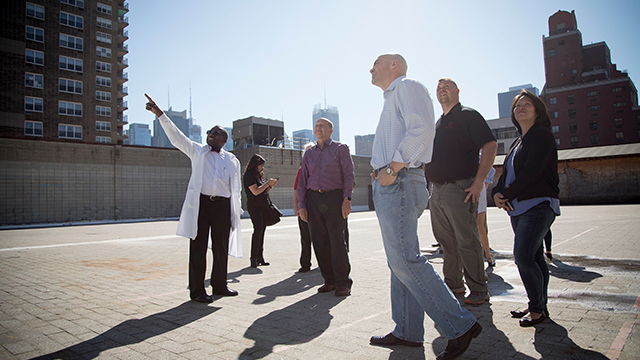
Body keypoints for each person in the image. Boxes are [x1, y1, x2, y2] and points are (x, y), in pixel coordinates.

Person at [367, 53, 481, 360]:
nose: (371, 68)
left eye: (377, 62)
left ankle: (459, 325)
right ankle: (407, 331)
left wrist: (391, 170)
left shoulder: (407, 85)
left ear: (395, 64)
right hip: (395, 180)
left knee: (405, 259)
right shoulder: (394, 95)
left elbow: (421, 131)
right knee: (399, 261)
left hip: (400, 180)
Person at [145, 94, 242, 302]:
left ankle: (219, 286)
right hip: (202, 204)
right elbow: (177, 137)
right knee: (198, 248)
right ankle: (198, 291)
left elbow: (236, 190)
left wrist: (235, 213)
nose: (210, 134)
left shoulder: (232, 160)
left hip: (222, 207)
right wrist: (160, 115)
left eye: (215, 133)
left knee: (221, 248)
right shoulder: (197, 151)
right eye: (209, 132)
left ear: (224, 140)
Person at [424, 78, 498, 306]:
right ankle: (453, 285)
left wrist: (479, 182)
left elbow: (490, 145)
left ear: (457, 91)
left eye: (446, 86)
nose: (441, 90)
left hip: (460, 188)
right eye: (438, 88)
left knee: (467, 239)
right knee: (446, 242)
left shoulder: (468, 115)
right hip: (436, 192)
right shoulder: (437, 123)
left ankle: (478, 289)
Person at [492, 90, 560, 327]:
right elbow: (506, 175)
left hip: (538, 204)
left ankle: (537, 309)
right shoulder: (518, 142)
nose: (520, 107)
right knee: (535, 257)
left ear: (538, 110)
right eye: (517, 105)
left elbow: (532, 171)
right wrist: (496, 194)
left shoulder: (541, 135)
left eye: (527, 104)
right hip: (518, 208)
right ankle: (538, 305)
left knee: (523, 257)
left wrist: (507, 193)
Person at [297, 118, 354, 297]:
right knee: (319, 241)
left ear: (331, 130)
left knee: (337, 240)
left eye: (322, 126)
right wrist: (302, 206)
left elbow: (348, 175)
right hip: (314, 199)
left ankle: (343, 282)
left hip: (335, 198)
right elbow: (302, 182)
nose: (318, 128)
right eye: (316, 126)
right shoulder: (309, 154)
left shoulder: (341, 149)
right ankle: (328, 280)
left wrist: (347, 199)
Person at [243, 154, 279, 268]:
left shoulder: (257, 176)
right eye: (260, 165)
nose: (262, 167)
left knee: (261, 231)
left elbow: (263, 192)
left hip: (262, 206)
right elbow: (255, 192)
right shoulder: (249, 176)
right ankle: (253, 258)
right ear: (255, 164)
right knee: (258, 231)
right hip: (255, 208)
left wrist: (270, 186)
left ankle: (260, 257)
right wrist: (267, 183)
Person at [293, 143, 315, 273]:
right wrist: (296, 205)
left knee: (320, 238)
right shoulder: (301, 170)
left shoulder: (321, 168)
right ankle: (305, 264)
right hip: (304, 207)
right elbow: (296, 188)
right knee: (305, 237)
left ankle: (324, 264)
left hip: (318, 207)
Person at [478, 154, 497, 267]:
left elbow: (491, 168)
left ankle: (488, 256)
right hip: (463, 189)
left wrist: (485, 182)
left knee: (480, 225)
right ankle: (486, 256)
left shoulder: (479, 155)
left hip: (478, 189)